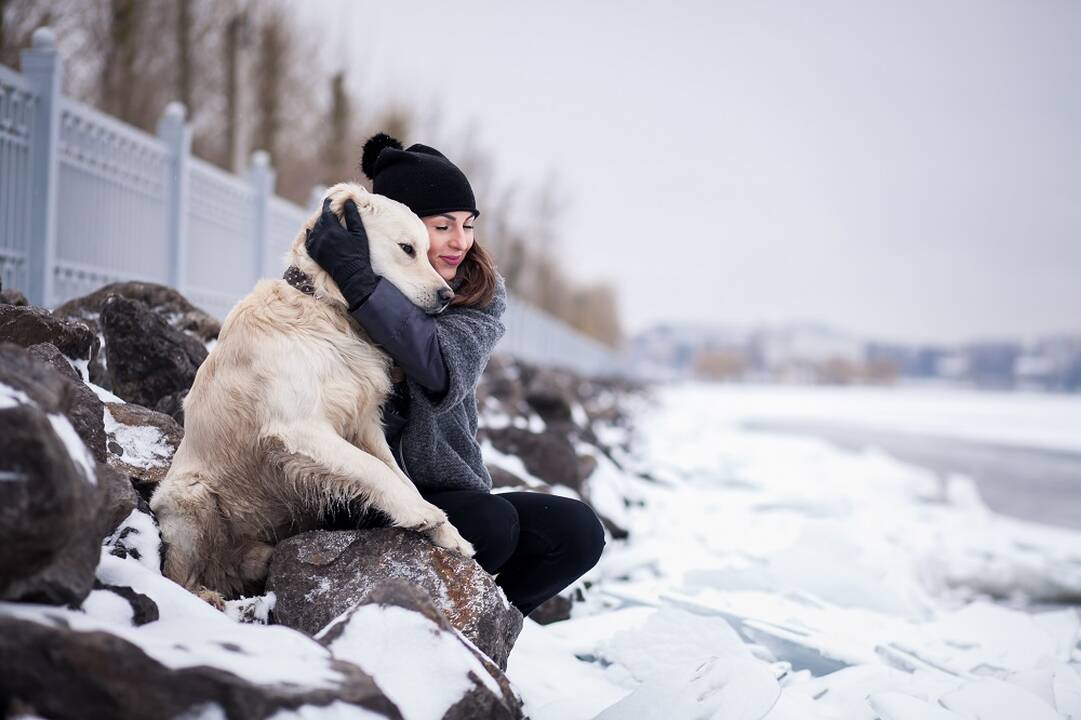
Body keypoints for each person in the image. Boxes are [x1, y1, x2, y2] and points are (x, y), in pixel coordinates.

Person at [303, 132, 606, 617]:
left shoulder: (476, 292)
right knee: (491, 526)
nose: (460, 242)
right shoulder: (331, 283)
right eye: (442, 226)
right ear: (404, 224)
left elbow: (441, 367)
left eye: (467, 225)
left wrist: (362, 285)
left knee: (575, 531)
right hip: (354, 489)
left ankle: (487, 628)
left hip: (444, 487)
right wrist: (354, 277)